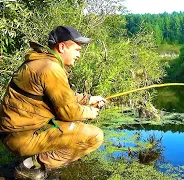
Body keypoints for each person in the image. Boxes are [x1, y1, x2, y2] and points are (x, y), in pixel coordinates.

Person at [0, 26, 106, 179]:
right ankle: (30, 167)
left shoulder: (39, 61)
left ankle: (33, 160)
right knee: (95, 136)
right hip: (22, 137)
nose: (79, 55)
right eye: (77, 50)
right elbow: (69, 113)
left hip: (14, 133)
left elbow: (62, 96)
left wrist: (89, 100)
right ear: (62, 47)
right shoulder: (51, 69)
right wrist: (90, 111)